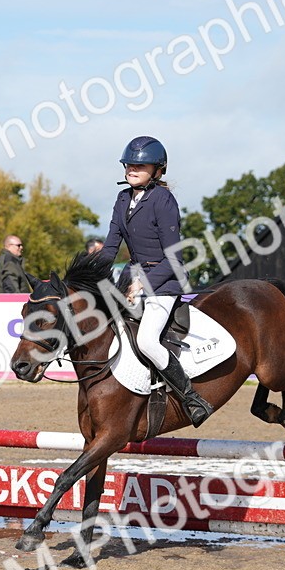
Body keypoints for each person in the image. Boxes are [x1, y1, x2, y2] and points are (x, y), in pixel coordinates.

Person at [98, 135, 213, 427]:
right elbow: (111, 247)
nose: (132, 169)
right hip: (131, 277)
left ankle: (190, 397)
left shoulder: (163, 200)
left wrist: (142, 285)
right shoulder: (123, 198)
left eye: (140, 164)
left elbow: (173, 259)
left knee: (147, 340)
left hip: (164, 280)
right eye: (129, 164)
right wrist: (87, 274)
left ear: (157, 169)